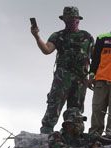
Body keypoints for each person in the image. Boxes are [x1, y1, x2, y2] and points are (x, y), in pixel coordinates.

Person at [32, 6, 94, 134]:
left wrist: (92, 77)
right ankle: (46, 135)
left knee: (75, 111)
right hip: (62, 77)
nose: (72, 21)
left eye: (75, 19)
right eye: (69, 19)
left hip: (81, 79)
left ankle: (71, 137)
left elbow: (95, 58)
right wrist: (36, 36)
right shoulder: (58, 36)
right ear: (64, 20)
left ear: (78, 20)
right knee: (54, 105)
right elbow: (47, 50)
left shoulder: (87, 37)